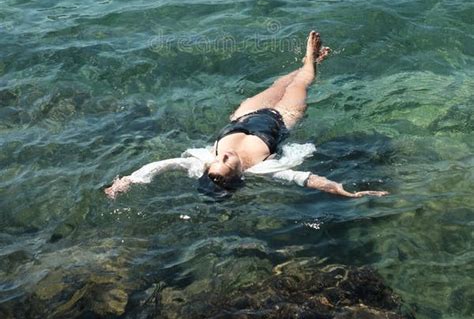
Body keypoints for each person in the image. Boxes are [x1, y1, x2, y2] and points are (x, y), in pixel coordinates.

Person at [105, 31, 389, 200]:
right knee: (303, 82)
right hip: (282, 118)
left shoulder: (205, 163)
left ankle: (308, 62)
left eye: (217, 161)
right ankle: (310, 62)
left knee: (279, 83)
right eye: (226, 164)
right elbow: (305, 178)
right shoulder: (260, 170)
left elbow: (161, 165)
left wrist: (129, 180)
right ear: (237, 175)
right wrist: (345, 192)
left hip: (246, 115)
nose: (222, 157)